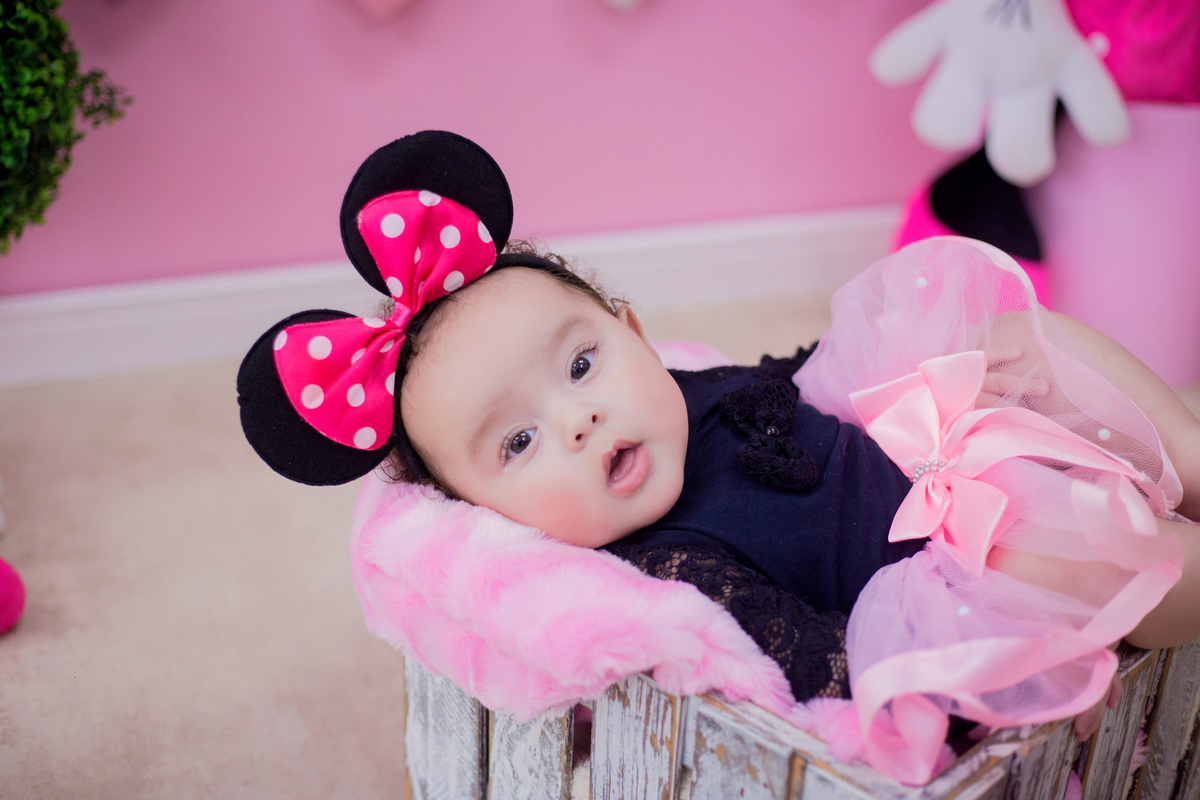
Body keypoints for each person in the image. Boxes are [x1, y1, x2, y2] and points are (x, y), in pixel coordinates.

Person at [238, 131, 1200, 784]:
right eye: (519, 442)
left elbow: (790, 382)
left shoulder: (685, 394)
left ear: (634, 332)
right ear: (488, 513)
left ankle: (1190, 452)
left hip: (930, 443)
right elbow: (809, 668)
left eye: (582, 363)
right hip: (951, 560)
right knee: (1080, 555)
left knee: (998, 333)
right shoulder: (670, 569)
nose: (577, 421)